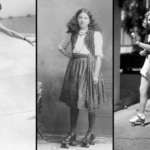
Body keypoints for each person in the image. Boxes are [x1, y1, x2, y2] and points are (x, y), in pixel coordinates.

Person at [58, 8, 107, 148]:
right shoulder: (72, 34)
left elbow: (98, 56)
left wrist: (95, 74)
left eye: (85, 18)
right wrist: (70, 57)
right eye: (80, 17)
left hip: (90, 68)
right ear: (76, 19)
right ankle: (72, 133)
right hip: (74, 68)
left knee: (91, 100)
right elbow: (61, 47)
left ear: (89, 20)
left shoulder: (95, 34)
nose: (82, 20)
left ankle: (90, 133)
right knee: (74, 100)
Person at [130, 11, 150, 127]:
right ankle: (141, 114)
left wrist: (139, 43)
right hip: (148, 62)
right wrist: (145, 51)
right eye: (149, 19)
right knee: (142, 90)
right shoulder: (148, 34)